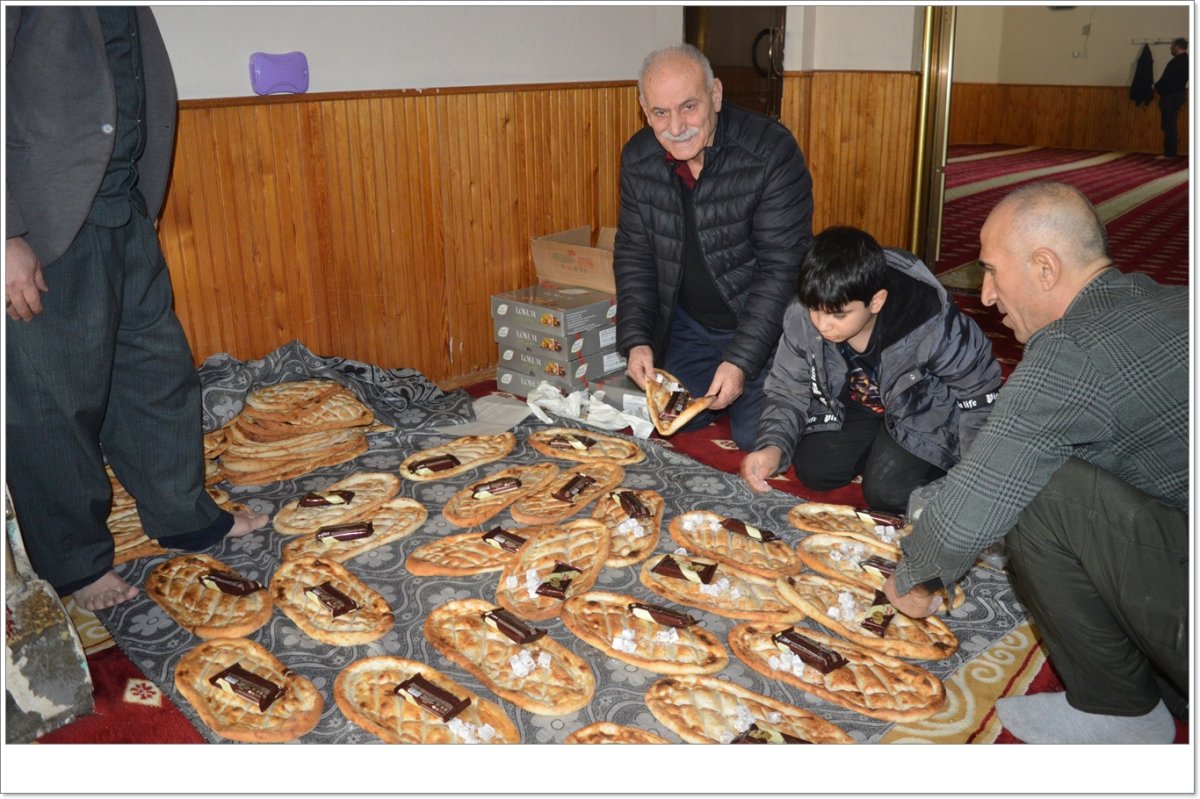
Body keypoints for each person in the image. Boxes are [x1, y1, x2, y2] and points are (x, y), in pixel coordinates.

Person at [883, 181, 1188, 744]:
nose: (989, 295)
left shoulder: (1070, 351)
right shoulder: (1171, 298)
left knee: (1038, 490)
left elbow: (972, 507)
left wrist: (914, 579)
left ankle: (1116, 712)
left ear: (1045, 267)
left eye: (993, 271)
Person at [5, 7, 267, 612]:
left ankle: (183, 516)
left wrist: (145, 194)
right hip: (43, 225)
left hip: (125, 206)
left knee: (157, 373)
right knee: (52, 403)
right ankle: (75, 564)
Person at [613, 43, 814, 451]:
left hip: (766, 327)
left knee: (755, 436)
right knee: (674, 421)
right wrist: (637, 338)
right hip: (692, 325)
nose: (675, 126)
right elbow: (634, 254)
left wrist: (741, 359)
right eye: (660, 113)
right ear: (643, 109)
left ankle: (818, 378)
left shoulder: (770, 152)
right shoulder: (638, 159)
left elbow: (782, 269)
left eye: (689, 107)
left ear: (716, 95)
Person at [741, 226, 1001, 512]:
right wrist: (772, 447)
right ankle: (883, 448)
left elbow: (980, 398)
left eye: (839, 315)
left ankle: (907, 460)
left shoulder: (933, 324)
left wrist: (973, 479)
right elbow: (787, 388)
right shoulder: (804, 313)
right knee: (815, 470)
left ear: (876, 301)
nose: (823, 324)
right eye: (815, 309)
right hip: (863, 404)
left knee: (886, 493)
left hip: (924, 411)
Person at [1154, 37, 1188, 158]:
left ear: (1177, 47)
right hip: (1180, 94)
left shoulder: (1175, 62)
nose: (1170, 48)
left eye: (1172, 46)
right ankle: (1170, 152)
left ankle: (1169, 153)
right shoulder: (1188, 61)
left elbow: (1166, 80)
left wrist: (1156, 87)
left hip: (1171, 96)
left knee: (1169, 125)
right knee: (1170, 124)